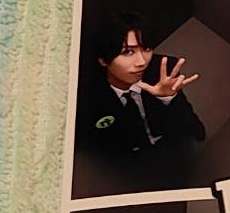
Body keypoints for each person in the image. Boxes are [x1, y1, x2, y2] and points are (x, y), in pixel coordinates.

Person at [77, 12, 206, 158]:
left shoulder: (163, 69)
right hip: (127, 157)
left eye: (146, 49)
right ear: (103, 60)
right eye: (128, 52)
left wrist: (168, 98)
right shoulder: (86, 96)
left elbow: (185, 118)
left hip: (170, 144)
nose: (142, 62)